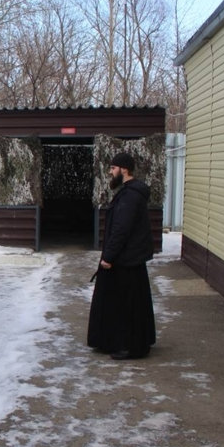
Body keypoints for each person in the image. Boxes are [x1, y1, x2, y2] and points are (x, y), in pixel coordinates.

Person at [87, 151, 156, 360]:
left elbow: (121, 229)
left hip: (127, 260)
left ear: (123, 169)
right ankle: (117, 341)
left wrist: (107, 257)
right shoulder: (129, 193)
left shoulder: (131, 196)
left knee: (127, 304)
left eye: (113, 168)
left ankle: (130, 345)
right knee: (129, 302)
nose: (110, 172)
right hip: (128, 258)